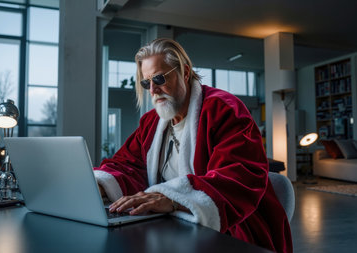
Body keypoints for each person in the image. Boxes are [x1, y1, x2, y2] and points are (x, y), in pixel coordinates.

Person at [94, 38, 292, 252]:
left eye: (159, 78)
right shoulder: (150, 122)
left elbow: (239, 175)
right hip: (171, 228)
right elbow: (127, 164)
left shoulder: (224, 110)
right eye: (146, 82)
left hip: (231, 227)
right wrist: (100, 185)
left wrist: (172, 197)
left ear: (185, 73)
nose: (152, 90)